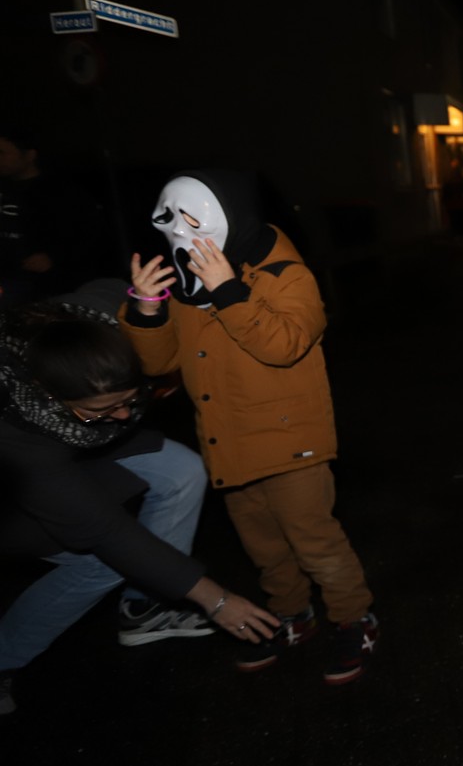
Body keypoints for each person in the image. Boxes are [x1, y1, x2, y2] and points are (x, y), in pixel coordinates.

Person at [121, 170, 379, 685]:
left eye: (192, 220)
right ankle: (292, 614)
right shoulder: (190, 280)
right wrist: (147, 310)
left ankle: (355, 619)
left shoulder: (284, 275)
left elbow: (285, 344)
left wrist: (228, 292)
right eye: (169, 221)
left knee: (314, 541)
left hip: (291, 439)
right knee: (263, 546)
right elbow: (161, 363)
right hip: (228, 440)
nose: (180, 234)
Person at [0, 290, 278, 716]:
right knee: (100, 562)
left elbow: (164, 320)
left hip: (79, 444)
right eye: (104, 408)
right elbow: (106, 532)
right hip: (14, 487)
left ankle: (144, 607)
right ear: (47, 394)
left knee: (182, 470)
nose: (125, 415)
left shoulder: (100, 319)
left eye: (129, 401)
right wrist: (216, 599)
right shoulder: (17, 433)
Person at [0, 124, 99, 307]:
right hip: (6, 277)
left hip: (42, 286)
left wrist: (55, 257)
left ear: (29, 155)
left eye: (2, 153)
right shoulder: (4, 188)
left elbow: (88, 233)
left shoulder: (62, 191)